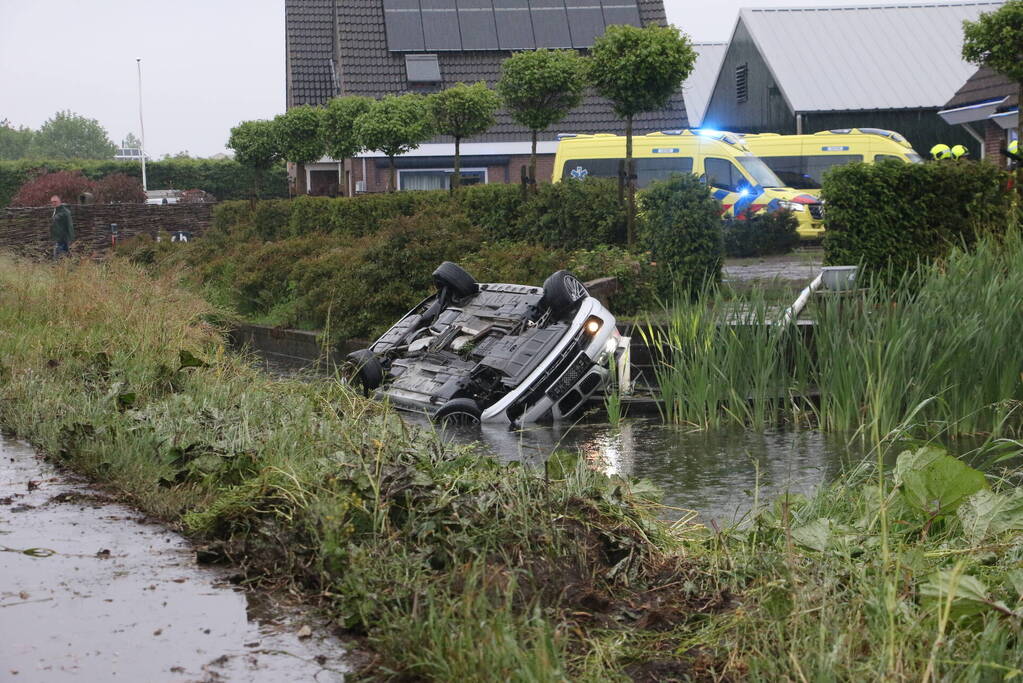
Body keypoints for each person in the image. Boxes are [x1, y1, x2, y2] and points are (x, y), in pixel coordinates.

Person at [49, 195, 75, 259]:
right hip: (59, 238)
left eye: (55, 201)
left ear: (59, 201)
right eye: (52, 202)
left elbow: (69, 225)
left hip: (63, 239)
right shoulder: (56, 210)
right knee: (67, 256)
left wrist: (70, 238)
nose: (53, 203)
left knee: (56, 257)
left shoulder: (65, 212)